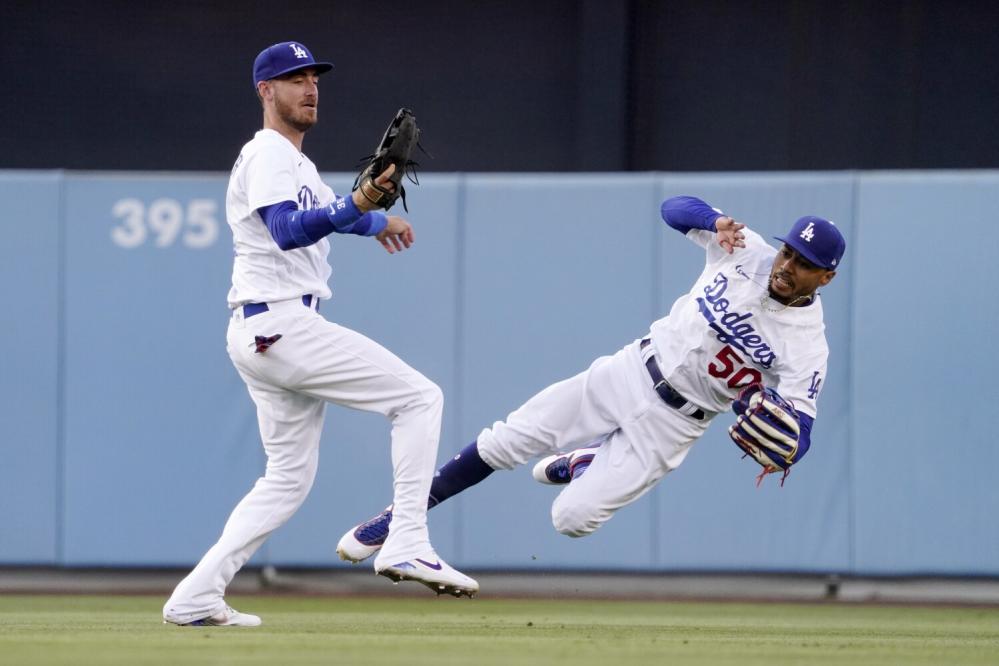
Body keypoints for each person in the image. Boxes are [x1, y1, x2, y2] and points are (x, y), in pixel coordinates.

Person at [335, 195, 845, 564]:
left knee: (571, 520)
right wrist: (716, 220)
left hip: (675, 426)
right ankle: (397, 519)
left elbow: (799, 434)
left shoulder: (807, 345)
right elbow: (673, 208)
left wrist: (787, 441)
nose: (788, 266)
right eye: (789, 254)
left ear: (826, 278)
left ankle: (585, 461)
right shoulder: (745, 250)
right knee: (508, 439)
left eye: (805, 265)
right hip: (628, 372)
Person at [163, 41, 477, 628]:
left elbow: (330, 212)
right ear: (266, 91)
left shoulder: (297, 164)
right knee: (418, 397)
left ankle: (196, 596)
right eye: (293, 78)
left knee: (286, 480)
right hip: (280, 323)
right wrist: (355, 205)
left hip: (267, 329)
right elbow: (286, 230)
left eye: (314, 77)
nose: (309, 87)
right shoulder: (266, 155)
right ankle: (407, 538)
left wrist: (376, 217)